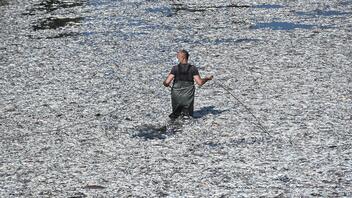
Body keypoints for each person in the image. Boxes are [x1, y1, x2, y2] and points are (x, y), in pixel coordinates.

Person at [163, 49, 213, 119]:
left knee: (176, 116)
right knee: (187, 117)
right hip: (188, 96)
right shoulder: (193, 68)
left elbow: (167, 82)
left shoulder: (175, 68)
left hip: (176, 96)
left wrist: (165, 83)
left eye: (178, 57)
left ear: (183, 57)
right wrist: (207, 78)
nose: (177, 58)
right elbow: (200, 82)